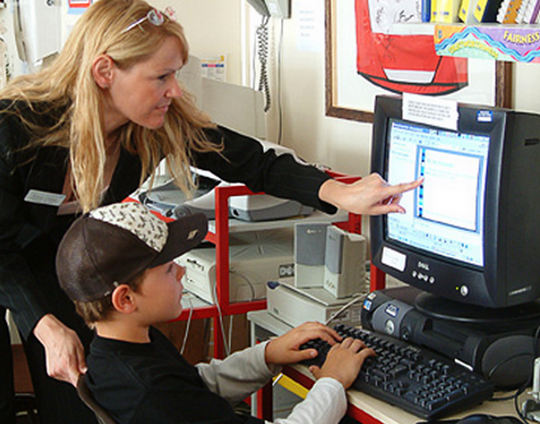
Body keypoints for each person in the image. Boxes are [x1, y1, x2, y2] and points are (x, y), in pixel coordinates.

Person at [0, 0, 421, 422]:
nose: (175, 91)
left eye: (176, 74)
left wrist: (338, 192)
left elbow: (250, 161)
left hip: (84, 280)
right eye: (162, 76)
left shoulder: (151, 123)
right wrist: (44, 324)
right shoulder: (16, 127)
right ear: (105, 72)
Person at [56, 201, 376, 424]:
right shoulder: (151, 394)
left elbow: (195, 384)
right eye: (169, 269)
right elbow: (178, 398)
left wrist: (267, 355)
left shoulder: (121, 349)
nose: (181, 272)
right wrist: (332, 381)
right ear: (125, 299)